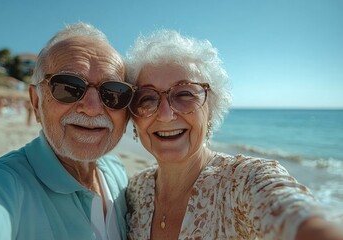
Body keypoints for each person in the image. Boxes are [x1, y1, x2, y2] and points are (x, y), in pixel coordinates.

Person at [0, 22, 136, 240]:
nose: (92, 107)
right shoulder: (5, 186)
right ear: (36, 101)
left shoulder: (116, 172)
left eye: (113, 92)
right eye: (68, 87)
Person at [125, 30, 343, 240]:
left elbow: (296, 216)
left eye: (184, 94)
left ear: (211, 108)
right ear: (134, 117)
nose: (165, 115)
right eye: (147, 98)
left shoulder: (245, 181)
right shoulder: (134, 191)